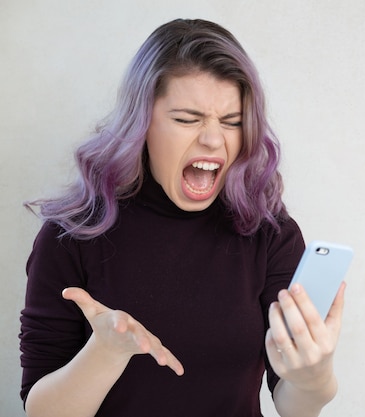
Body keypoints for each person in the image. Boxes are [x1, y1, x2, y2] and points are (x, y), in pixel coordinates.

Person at [19, 18, 345, 417]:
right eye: (187, 119)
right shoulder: (73, 234)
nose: (213, 139)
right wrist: (105, 353)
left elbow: (293, 406)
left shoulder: (270, 234)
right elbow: (40, 411)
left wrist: (314, 377)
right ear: (142, 124)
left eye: (232, 122)